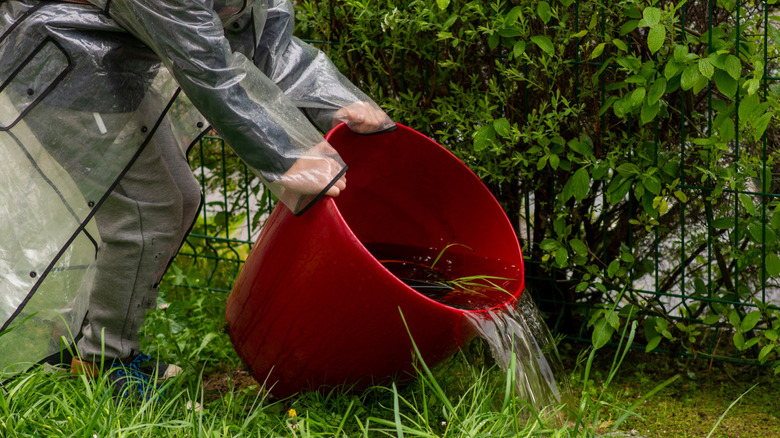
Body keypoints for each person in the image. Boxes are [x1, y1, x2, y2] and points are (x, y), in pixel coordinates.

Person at [0, 0, 394, 399]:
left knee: (180, 199)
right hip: (57, 61)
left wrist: (332, 99)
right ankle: (102, 362)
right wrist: (284, 156)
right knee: (146, 211)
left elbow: (262, 41)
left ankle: (84, 340)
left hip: (109, 60)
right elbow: (207, 68)